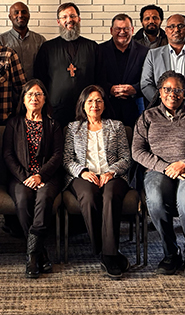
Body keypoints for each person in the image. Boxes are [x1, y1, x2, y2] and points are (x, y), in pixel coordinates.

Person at [133, 71, 185, 278]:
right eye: (167, 89)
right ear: (160, 92)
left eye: (177, 89)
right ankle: (171, 253)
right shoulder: (147, 117)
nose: (172, 94)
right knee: (155, 197)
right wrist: (165, 167)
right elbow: (137, 151)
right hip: (158, 171)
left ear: (184, 92)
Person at [63, 85, 132, 279]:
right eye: (90, 101)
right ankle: (103, 248)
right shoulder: (73, 128)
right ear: (83, 105)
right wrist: (82, 172)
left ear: (104, 104)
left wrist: (111, 172)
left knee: (110, 196)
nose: (95, 105)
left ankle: (108, 255)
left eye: (99, 100)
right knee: (88, 196)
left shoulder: (116, 126)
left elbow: (126, 158)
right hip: (83, 176)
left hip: (112, 175)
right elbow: (67, 160)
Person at [3, 79, 64, 278]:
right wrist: (25, 177)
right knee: (23, 199)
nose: (34, 98)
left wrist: (40, 175)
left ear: (45, 99)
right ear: (23, 99)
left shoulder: (53, 124)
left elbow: (57, 155)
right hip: (20, 177)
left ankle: (31, 255)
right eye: (29, 94)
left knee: (44, 198)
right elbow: (8, 155)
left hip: (47, 176)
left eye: (38, 94)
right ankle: (40, 252)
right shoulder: (13, 123)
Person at [34, 2, 97, 124]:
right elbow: (40, 80)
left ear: (79, 19)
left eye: (73, 16)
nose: (69, 20)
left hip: (87, 110)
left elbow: (100, 78)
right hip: (55, 110)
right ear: (58, 22)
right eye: (64, 17)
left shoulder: (92, 47)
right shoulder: (47, 48)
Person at [140, 14, 185, 115]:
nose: (176, 30)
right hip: (161, 114)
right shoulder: (153, 54)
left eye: (181, 26)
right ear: (166, 31)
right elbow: (146, 84)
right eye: (171, 26)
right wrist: (165, 103)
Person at [95, 14, 149, 126]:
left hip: (135, 109)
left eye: (126, 29)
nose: (122, 32)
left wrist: (134, 89)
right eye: (118, 29)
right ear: (111, 30)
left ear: (132, 30)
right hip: (107, 108)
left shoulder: (145, 52)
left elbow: (149, 79)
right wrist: (109, 89)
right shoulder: (99, 50)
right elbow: (95, 76)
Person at [0, 2, 46, 80]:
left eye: (24, 12)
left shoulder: (40, 40)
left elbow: (45, 67)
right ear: (10, 17)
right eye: (16, 12)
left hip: (34, 86)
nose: (20, 15)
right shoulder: (0, 41)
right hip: (9, 86)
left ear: (28, 16)